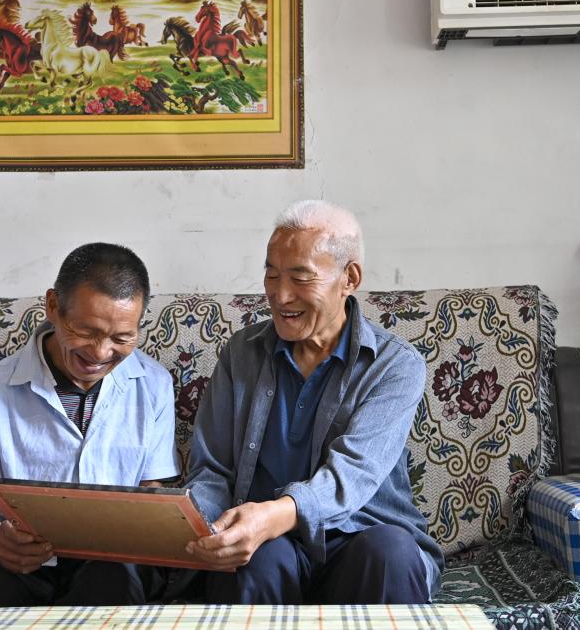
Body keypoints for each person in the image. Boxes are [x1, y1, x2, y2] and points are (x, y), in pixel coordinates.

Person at [184, 200, 444, 604]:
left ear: (349, 278)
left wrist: (273, 515)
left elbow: (354, 473)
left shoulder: (394, 364)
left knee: (390, 554)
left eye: (300, 277)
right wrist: (207, 528)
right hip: (269, 544)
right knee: (256, 562)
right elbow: (212, 468)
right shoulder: (241, 353)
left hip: (360, 535)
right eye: (272, 274)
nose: (280, 294)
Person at [0, 243, 180, 608]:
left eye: (121, 338)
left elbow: (151, 487)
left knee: (111, 581)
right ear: (52, 306)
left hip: (113, 562)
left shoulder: (154, 384)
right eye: (86, 331)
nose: (100, 353)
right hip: (26, 563)